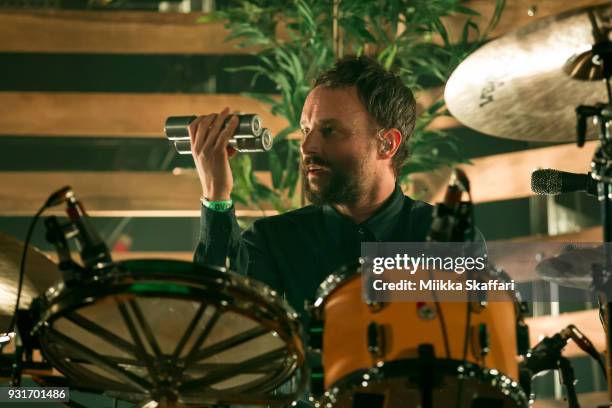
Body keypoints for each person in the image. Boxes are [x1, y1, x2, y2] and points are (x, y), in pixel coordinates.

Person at [191, 55, 433, 314]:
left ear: (387, 144)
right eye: (306, 130)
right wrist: (216, 194)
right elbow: (214, 320)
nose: (307, 147)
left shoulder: (445, 241)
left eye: (329, 131)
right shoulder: (271, 241)